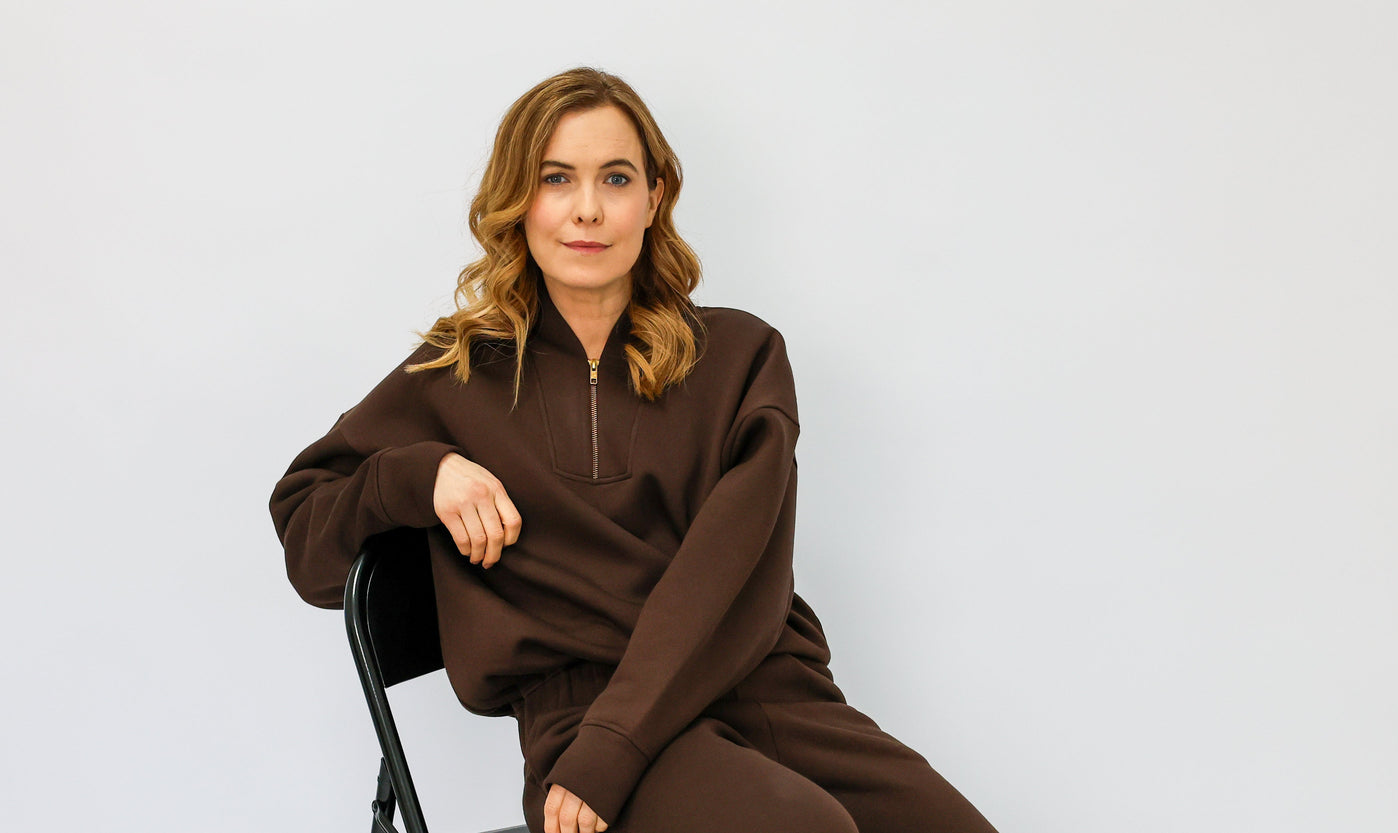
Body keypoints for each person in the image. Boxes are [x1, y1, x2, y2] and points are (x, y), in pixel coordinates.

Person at [268, 66, 1000, 833]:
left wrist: (615, 744)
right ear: (518, 199)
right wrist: (420, 475)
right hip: (583, 726)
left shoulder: (742, 359)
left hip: (765, 691)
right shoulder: (454, 377)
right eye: (556, 178)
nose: (587, 208)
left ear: (654, 197)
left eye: (615, 178)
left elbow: (730, 570)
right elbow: (307, 540)